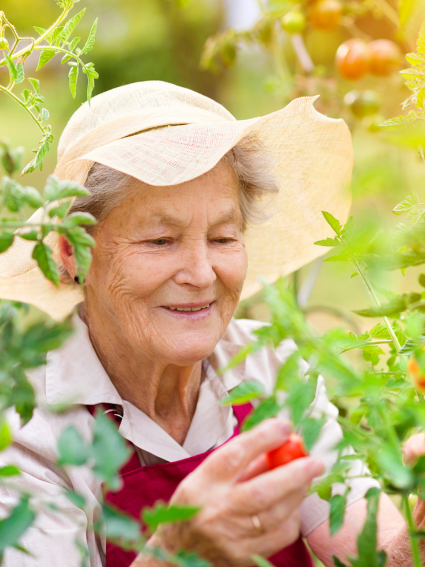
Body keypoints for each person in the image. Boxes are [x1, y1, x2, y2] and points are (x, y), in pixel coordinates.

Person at [0, 81, 416, 566]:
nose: (201, 274)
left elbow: (374, 558)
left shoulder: (269, 366)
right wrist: (171, 555)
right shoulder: (29, 434)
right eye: (160, 240)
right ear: (74, 252)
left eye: (222, 237)